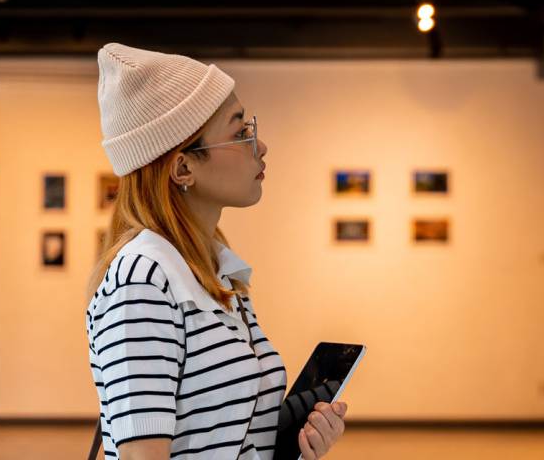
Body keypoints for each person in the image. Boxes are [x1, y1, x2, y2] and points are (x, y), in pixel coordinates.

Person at [84, 43, 348, 460]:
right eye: (240, 133)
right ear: (183, 167)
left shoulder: (217, 272)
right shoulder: (143, 279)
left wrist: (297, 449)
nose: (261, 147)